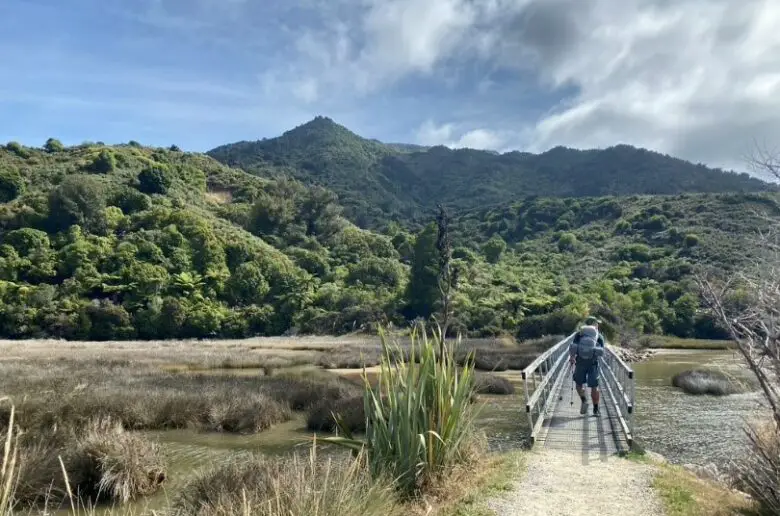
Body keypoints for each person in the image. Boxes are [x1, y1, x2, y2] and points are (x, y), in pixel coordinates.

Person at [569, 316, 605, 416]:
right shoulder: (599, 336)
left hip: (580, 362)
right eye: (597, 323)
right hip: (593, 363)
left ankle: (584, 400)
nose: (598, 325)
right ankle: (596, 409)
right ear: (594, 324)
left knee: (578, 384)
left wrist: (572, 358)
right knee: (594, 386)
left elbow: (573, 347)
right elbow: (602, 351)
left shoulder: (579, 334)